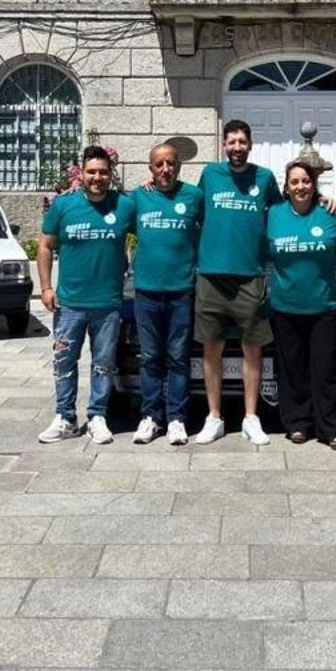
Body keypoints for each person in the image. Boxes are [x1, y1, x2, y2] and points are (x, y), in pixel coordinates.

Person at [192, 119, 284, 445]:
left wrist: (325, 202)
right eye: (231, 142)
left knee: (253, 350)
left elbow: (287, 210)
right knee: (211, 348)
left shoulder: (265, 178)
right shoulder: (210, 176)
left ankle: (251, 417)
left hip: (251, 276)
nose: (236, 147)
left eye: (242, 141)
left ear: (250, 143)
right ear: (223, 144)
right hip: (211, 276)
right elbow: (192, 209)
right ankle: (214, 417)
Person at [36, 146, 135, 446]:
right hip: (69, 304)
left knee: (104, 364)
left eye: (103, 172)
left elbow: (152, 228)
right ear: (81, 173)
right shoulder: (63, 206)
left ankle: (97, 416)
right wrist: (45, 288)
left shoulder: (125, 205)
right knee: (64, 363)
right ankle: (65, 417)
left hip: (108, 304)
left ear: (110, 175)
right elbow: (44, 246)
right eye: (92, 171)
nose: (97, 177)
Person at [265, 160, 336, 449]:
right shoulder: (273, 214)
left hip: (323, 307)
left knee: (326, 370)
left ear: (314, 185)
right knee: (292, 371)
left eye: (306, 181)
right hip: (285, 307)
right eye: (294, 182)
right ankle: (297, 424)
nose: (300, 186)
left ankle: (332, 428)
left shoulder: (330, 214)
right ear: (286, 188)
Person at [129, 142, 204, 446]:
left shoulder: (194, 196)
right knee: (150, 358)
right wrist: (72, 190)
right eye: (159, 164)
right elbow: (106, 206)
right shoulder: (138, 197)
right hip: (146, 292)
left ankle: (176, 419)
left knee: (178, 358)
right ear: (150, 168)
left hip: (181, 292)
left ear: (179, 166)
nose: (165, 169)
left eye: (171, 163)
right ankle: (151, 417)